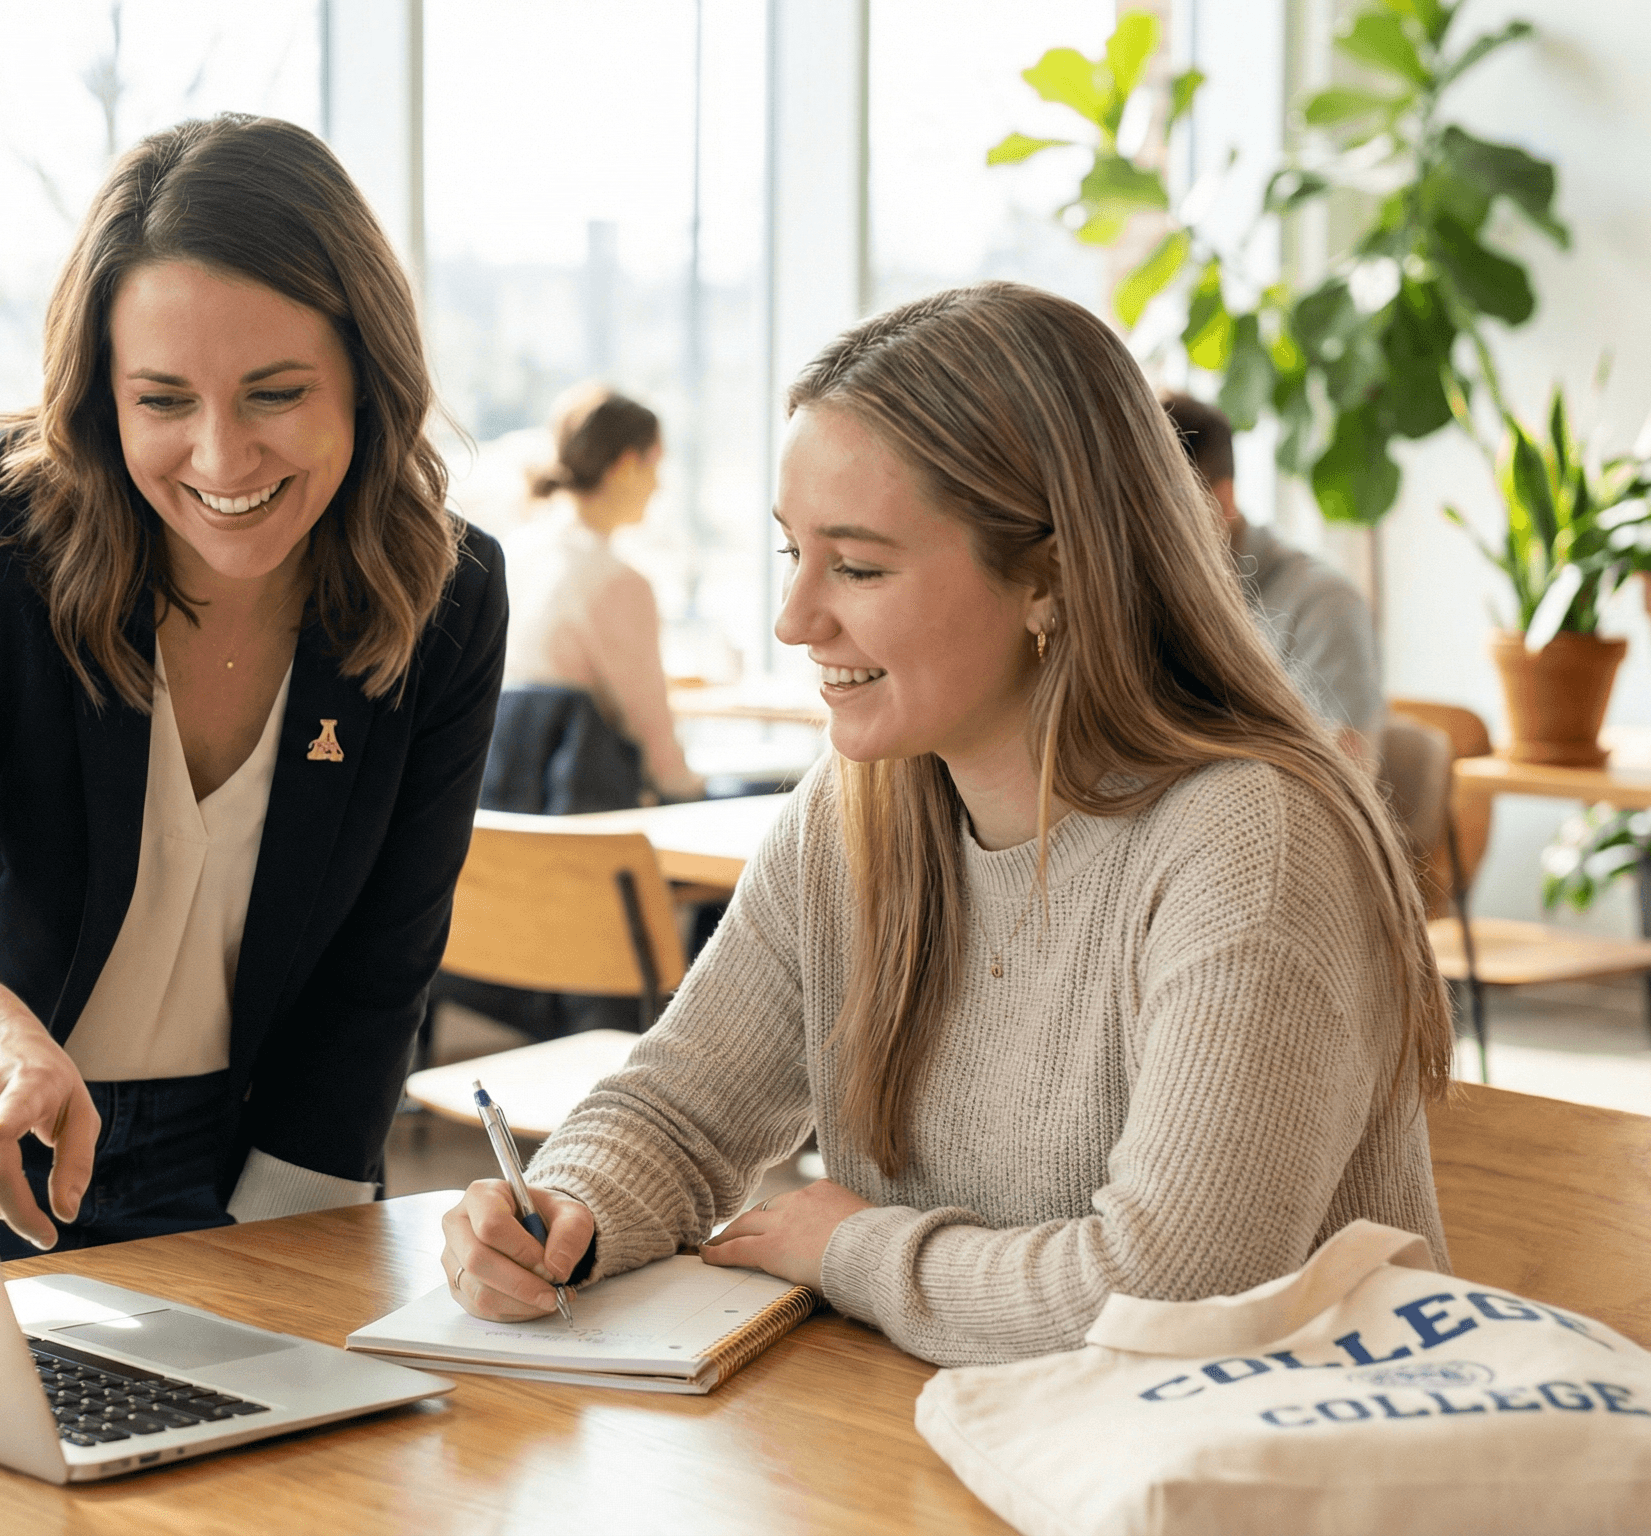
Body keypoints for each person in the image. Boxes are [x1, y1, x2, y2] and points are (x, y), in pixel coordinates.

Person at [439, 283, 1452, 1367]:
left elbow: (1167, 1297)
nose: (794, 620)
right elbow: (683, 1113)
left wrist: (855, 1249)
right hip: (957, 1450)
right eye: (794, 554)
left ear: (1051, 576)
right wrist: (560, 1209)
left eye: (860, 566)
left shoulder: (1253, 843)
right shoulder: (855, 805)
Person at [0, 113, 505, 1260]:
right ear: (102, 396)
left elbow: (378, 972)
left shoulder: (444, 592)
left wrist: (284, 1278)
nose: (219, 456)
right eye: (162, 401)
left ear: (366, 376)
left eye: (274, 393)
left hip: (232, 1147)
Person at [495, 383, 702, 805]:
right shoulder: (618, 584)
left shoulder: (514, 558)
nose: (658, 487)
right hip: (592, 828)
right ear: (627, 465)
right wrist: (695, 792)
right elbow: (653, 742)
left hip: (504, 826)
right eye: (655, 466)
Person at [1163, 392, 1383, 760]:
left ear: (1222, 500)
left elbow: (1345, 775)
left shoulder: (1325, 604)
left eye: (1162, 511)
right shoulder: (1151, 600)